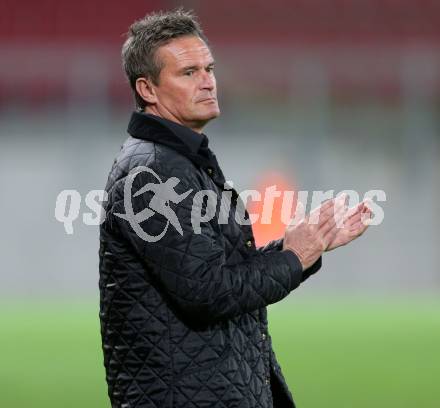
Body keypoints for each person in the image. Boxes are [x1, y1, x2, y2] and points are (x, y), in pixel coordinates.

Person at [98, 9, 372, 408]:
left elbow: (215, 272)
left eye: (209, 68)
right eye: (188, 73)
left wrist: (302, 245)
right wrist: (295, 258)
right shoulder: (152, 172)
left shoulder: (179, 160)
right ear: (148, 89)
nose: (208, 81)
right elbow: (207, 293)